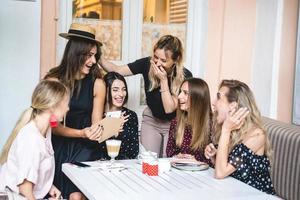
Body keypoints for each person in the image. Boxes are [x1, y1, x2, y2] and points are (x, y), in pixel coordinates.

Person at [99, 35, 193, 157]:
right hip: (152, 120)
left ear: (176, 60)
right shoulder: (146, 64)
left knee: (167, 161)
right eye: (156, 57)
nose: (157, 63)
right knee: (148, 160)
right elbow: (116, 70)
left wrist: (163, 81)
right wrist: (98, 56)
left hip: (173, 123)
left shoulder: (185, 76)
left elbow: (169, 108)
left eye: (163, 61)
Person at [44, 23, 106, 200]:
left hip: (86, 147)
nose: (93, 61)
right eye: (89, 55)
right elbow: (52, 126)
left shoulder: (98, 84)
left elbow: (97, 125)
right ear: (76, 53)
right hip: (57, 145)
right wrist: (82, 133)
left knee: (76, 196)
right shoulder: (54, 80)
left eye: (95, 56)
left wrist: (99, 130)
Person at [0, 80, 69, 200]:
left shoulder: (45, 130)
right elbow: (25, 192)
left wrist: (48, 187)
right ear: (52, 106)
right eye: (65, 103)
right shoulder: (31, 139)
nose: (68, 108)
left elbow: (37, 168)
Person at [204, 79, 275, 194]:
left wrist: (226, 130)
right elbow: (226, 168)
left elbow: (220, 173)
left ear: (233, 106)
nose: (213, 102)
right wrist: (214, 156)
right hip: (233, 192)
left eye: (218, 97)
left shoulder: (257, 135)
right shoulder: (234, 131)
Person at [166, 78, 212, 164]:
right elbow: (169, 151)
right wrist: (178, 156)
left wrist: (196, 161)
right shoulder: (176, 122)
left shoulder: (212, 124)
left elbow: (214, 160)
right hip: (181, 172)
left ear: (198, 98)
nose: (179, 96)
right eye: (180, 92)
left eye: (185, 93)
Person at [98, 72, 139, 160]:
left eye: (124, 89)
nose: (121, 94)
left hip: (124, 165)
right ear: (105, 91)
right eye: (115, 90)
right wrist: (112, 128)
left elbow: (134, 151)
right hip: (99, 165)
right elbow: (94, 148)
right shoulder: (97, 115)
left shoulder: (131, 116)